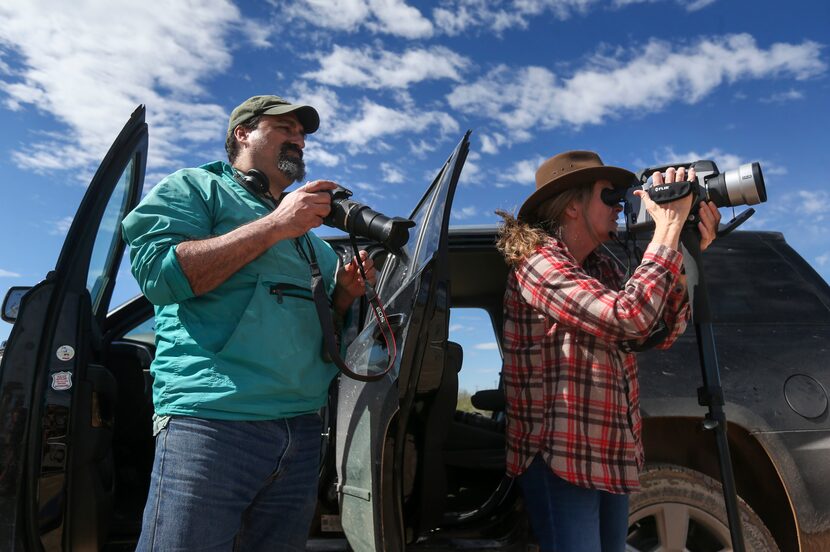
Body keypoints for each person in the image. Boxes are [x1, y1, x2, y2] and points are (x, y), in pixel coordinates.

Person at [121, 95, 376, 551]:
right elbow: (160, 276)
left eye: (302, 134)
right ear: (243, 133)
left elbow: (324, 337)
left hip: (301, 430)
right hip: (212, 425)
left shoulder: (313, 244)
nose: (298, 139)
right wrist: (276, 224)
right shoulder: (195, 188)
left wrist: (344, 296)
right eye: (285, 128)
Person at [495, 150, 721, 552]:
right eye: (609, 196)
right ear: (571, 207)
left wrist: (683, 253)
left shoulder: (602, 266)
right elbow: (627, 316)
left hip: (608, 451)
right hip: (560, 457)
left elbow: (654, 333)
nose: (621, 206)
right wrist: (666, 231)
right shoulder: (536, 261)